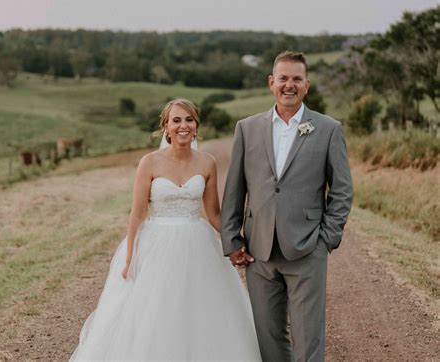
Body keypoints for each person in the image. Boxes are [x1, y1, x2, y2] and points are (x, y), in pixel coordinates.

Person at [70, 98, 261, 361]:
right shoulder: (149, 163)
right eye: (177, 120)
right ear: (166, 127)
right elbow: (137, 214)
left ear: (196, 126)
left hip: (198, 244)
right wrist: (129, 257)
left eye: (189, 120)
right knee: (156, 312)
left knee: (201, 309)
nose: (183, 125)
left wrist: (235, 242)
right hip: (157, 244)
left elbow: (214, 213)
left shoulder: (207, 163)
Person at [221, 51, 353, 362]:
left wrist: (326, 239)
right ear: (271, 83)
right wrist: (232, 240)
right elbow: (234, 189)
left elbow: (342, 190)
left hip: (307, 248)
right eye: (283, 78)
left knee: (308, 338)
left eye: (296, 79)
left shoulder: (328, 129)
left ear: (307, 84)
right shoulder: (247, 128)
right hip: (259, 252)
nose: (289, 85)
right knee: (267, 337)